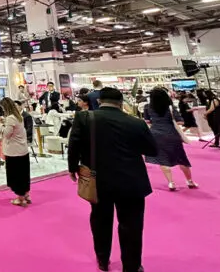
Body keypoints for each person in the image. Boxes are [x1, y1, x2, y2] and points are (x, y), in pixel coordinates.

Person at [68, 88, 158, 272]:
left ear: (99, 101)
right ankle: (132, 266)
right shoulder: (137, 122)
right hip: (132, 180)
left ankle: (103, 259)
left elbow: (74, 145)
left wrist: (72, 168)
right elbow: (152, 150)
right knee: (132, 225)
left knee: (100, 220)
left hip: (98, 179)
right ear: (121, 102)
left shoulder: (85, 118)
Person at [143, 88, 197, 191]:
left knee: (162, 159)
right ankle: (190, 181)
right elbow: (181, 122)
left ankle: (171, 183)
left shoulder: (147, 107)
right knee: (181, 158)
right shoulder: (170, 107)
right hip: (171, 134)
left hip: (156, 134)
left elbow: (147, 121)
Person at [1, 98, 31, 207]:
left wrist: (1, 128)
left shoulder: (10, 118)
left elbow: (7, 134)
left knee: (15, 175)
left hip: (14, 151)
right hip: (23, 150)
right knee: (24, 174)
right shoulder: (19, 116)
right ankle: (26, 194)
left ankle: (20, 198)